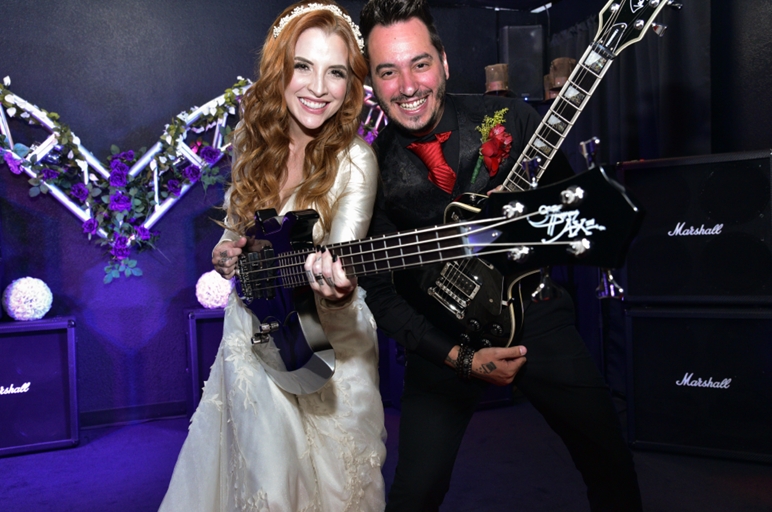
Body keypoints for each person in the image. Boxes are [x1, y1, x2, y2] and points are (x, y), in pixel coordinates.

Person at [357, 1, 643, 511]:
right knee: (415, 492)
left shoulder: (512, 118)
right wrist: (459, 357)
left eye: (419, 63)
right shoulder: (369, 170)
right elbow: (378, 292)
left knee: (611, 464)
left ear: (443, 63)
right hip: (439, 335)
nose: (407, 85)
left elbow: (569, 214)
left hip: (533, 314)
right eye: (387, 71)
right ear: (373, 83)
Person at [160, 2, 386, 510]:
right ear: (280, 68)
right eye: (303, 66)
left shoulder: (356, 161)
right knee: (265, 478)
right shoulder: (250, 141)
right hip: (256, 332)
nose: (318, 87)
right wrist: (226, 251)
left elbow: (340, 263)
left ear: (352, 85)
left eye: (336, 73)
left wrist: (339, 286)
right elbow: (237, 229)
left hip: (328, 342)